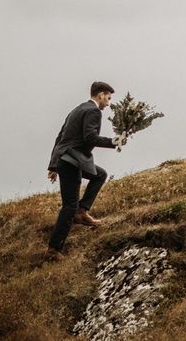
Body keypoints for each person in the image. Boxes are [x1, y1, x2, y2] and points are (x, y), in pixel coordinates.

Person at [45, 81, 124, 261]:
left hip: (65, 159)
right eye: (108, 98)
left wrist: (53, 165)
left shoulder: (76, 110)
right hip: (72, 160)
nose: (108, 103)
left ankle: (82, 211)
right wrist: (114, 141)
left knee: (100, 175)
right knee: (69, 206)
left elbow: (60, 137)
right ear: (100, 95)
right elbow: (90, 137)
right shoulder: (93, 111)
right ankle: (53, 250)